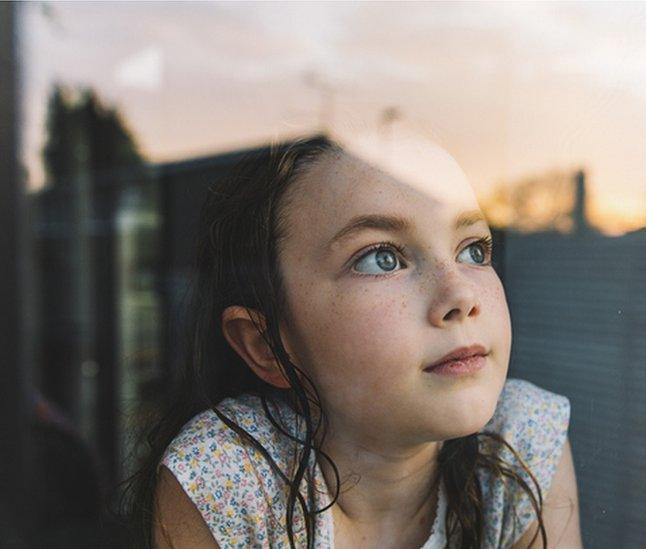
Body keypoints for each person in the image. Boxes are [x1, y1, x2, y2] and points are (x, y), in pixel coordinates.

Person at [124, 133, 582, 548]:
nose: (460, 295)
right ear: (266, 345)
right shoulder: (229, 477)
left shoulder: (520, 442)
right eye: (381, 258)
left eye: (473, 250)